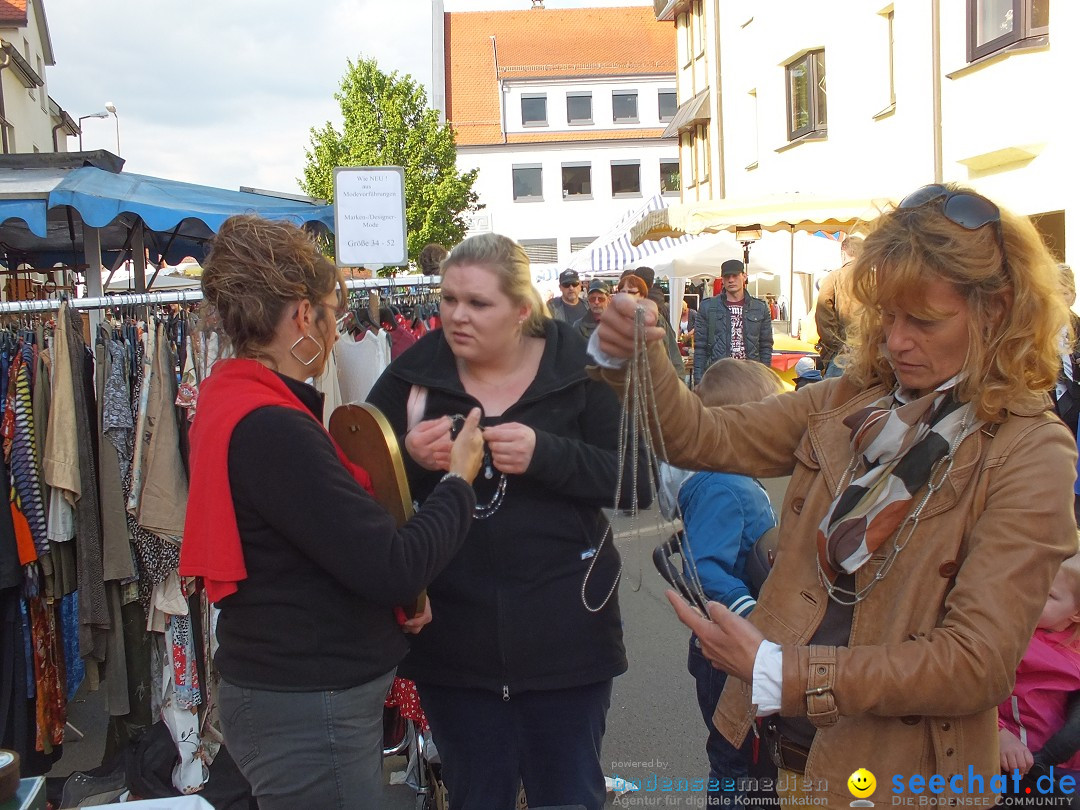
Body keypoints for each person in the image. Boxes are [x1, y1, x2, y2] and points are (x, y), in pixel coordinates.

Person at [592, 183, 1078, 803]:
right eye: (889, 315)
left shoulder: (1030, 448)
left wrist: (783, 671)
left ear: (997, 310)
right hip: (773, 747)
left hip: (893, 780)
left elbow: (974, 663)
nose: (897, 340)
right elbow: (697, 434)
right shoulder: (857, 400)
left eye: (923, 321)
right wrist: (635, 354)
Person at [177, 215, 485, 810]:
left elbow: (313, 549)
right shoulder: (273, 428)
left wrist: (394, 604)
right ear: (301, 316)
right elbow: (393, 564)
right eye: (331, 310)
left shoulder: (233, 399)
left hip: (293, 695)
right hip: (308, 706)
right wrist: (459, 480)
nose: (337, 326)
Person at [367, 233, 645, 810]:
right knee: (477, 796)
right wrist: (411, 466)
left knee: (569, 795)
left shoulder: (584, 368)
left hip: (567, 636)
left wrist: (548, 454)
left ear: (522, 310)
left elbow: (639, 479)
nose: (456, 316)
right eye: (448, 299)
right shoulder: (411, 380)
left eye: (478, 303)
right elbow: (361, 501)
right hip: (456, 647)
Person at [675, 359, 784, 807]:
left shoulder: (733, 480)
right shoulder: (723, 486)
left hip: (734, 653)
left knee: (748, 762)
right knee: (738, 762)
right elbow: (703, 570)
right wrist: (750, 616)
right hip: (730, 656)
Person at [998, 552, 1080, 787]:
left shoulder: (1073, 645)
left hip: (1068, 765)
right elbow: (972, 687)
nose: (1033, 598)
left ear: (1076, 613)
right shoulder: (1014, 638)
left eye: (1050, 595)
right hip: (1020, 761)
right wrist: (998, 735)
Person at [693, 258, 773, 384]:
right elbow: (700, 347)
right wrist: (698, 382)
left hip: (751, 378)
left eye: (735, 276)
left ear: (744, 277)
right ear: (722, 279)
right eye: (726, 277)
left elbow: (766, 346)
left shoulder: (760, 308)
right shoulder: (708, 307)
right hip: (719, 378)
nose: (731, 280)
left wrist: (764, 378)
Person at [618, 274, 685, 377]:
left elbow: (673, 355)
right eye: (622, 292)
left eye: (631, 292)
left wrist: (678, 382)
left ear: (642, 296)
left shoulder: (657, 320)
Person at [815, 235, 862, 378]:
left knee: (834, 396)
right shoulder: (876, 278)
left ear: (843, 252)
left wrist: (837, 344)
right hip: (870, 352)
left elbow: (823, 316)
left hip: (842, 352)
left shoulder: (834, 278)